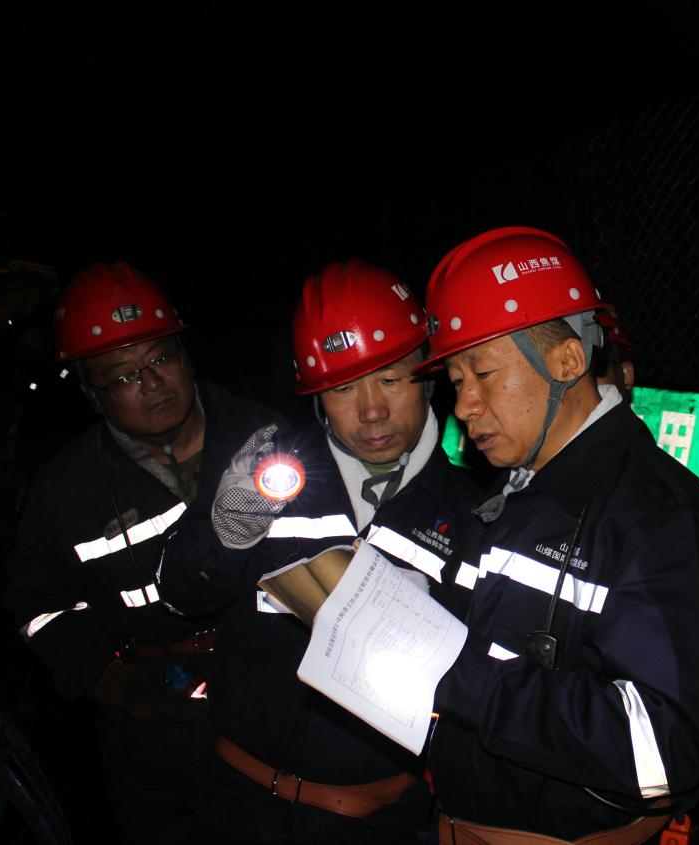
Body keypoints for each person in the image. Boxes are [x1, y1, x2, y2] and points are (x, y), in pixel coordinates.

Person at [413, 226, 699, 843]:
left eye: (483, 373)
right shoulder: (514, 492)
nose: (463, 406)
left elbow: (663, 750)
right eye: (456, 381)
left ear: (567, 362)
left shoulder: (662, 518)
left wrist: (453, 677)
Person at [159, 260, 479, 844]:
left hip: (376, 822)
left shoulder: (475, 509)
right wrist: (226, 532)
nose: (372, 411)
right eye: (343, 388)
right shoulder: (266, 472)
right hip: (236, 806)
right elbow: (181, 597)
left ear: (428, 376)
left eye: (391, 379)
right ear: (316, 399)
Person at [4, 261, 281, 843]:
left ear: (186, 355)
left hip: (277, 704)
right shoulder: (65, 491)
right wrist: (110, 679)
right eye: (124, 376)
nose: (152, 383)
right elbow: (38, 607)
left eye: (161, 359)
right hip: (156, 732)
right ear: (91, 394)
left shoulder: (265, 438)